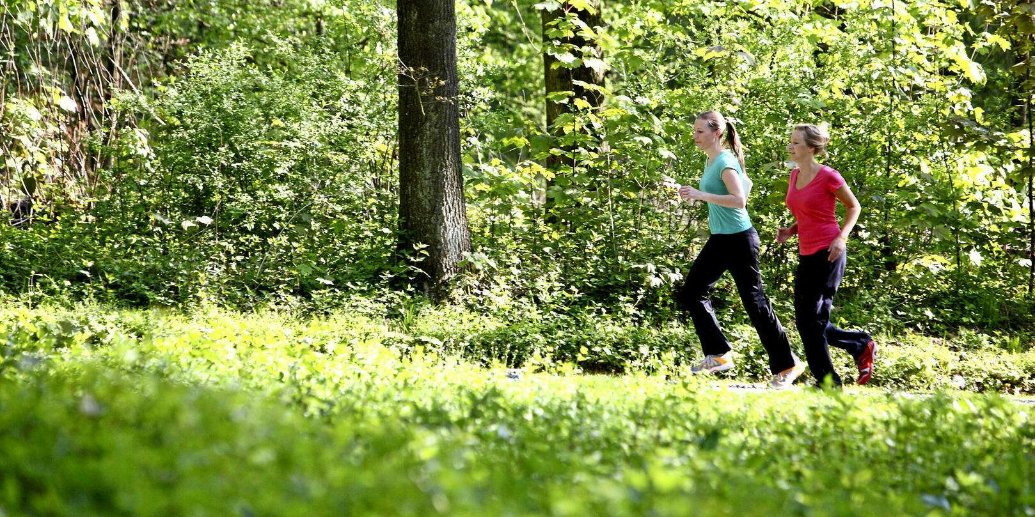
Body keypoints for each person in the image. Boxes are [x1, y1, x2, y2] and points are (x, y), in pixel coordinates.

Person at [676, 110, 805, 389]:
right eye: (695, 131)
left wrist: (701, 195)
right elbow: (732, 192)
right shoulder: (712, 159)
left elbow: (739, 200)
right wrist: (693, 194)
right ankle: (719, 355)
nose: (695, 136)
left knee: (755, 303)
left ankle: (788, 365)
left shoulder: (724, 160)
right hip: (721, 238)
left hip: (739, 240)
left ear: (716, 133)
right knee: (691, 292)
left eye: (700, 131)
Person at [776, 124, 876, 387]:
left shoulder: (828, 175)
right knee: (806, 321)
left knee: (814, 320)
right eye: (791, 142)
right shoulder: (794, 176)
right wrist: (792, 229)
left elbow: (854, 206)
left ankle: (829, 383)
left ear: (811, 148)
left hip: (829, 252)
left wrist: (841, 238)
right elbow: (809, 212)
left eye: (796, 143)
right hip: (806, 252)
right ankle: (859, 344)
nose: (791, 146)